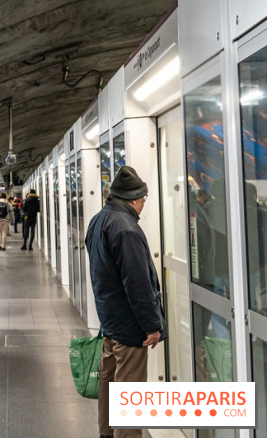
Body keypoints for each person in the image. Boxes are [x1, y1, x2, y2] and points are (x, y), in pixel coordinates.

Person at [84, 166, 167, 437]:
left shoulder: (99, 220)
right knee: (130, 392)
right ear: (133, 199)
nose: (144, 205)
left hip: (110, 319)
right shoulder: (126, 228)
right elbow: (138, 284)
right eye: (143, 199)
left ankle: (106, 433)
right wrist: (152, 325)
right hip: (130, 325)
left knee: (109, 383)